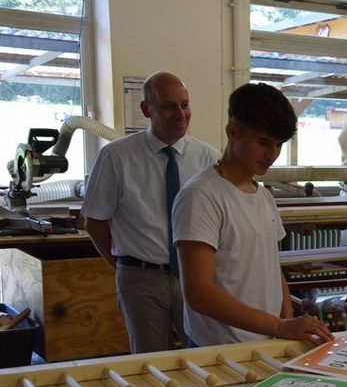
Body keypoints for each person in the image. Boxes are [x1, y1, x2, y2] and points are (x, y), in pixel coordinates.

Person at [173, 83, 332, 347]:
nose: (272, 154)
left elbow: (271, 267)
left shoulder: (264, 197)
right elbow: (199, 293)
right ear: (233, 132)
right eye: (263, 142)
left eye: (279, 145)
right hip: (218, 351)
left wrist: (288, 323)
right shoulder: (200, 196)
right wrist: (280, 326)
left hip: (267, 343)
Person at [83, 71, 220, 354]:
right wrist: (124, 266)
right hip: (141, 278)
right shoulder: (116, 157)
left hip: (196, 276)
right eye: (170, 106)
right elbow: (95, 222)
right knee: (149, 365)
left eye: (185, 104)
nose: (181, 114)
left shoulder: (209, 158)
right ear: (147, 109)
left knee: (204, 355)